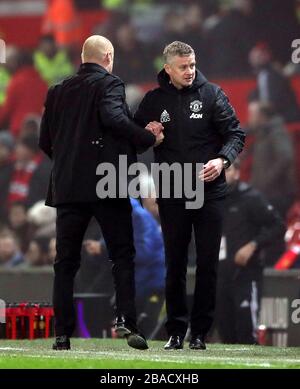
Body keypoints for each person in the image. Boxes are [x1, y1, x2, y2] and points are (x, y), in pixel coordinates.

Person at [39, 35, 163, 351]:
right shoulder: (110, 84)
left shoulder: (56, 91)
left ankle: (62, 335)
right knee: (122, 254)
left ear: (83, 57)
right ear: (108, 56)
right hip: (106, 184)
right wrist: (146, 138)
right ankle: (125, 320)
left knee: (65, 262)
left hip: (67, 187)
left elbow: (45, 140)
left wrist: (69, 163)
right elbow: (113, 118)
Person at [134, 41, 245, 350]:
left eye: (192, 65)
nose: (190, 71)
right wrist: (150, 137)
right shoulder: (154, 100)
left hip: (210, 192)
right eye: (183, 66)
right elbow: (132, 137)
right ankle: (175, 332)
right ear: (167, 69)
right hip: (172, 190)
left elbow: (236, 133)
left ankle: (200, 333)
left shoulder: (212, 95)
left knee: (208, 263)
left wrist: (221, 160)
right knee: (176, 263)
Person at [215, 160, 285, 344]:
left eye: (227, 170)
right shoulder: (212, 199)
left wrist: (252, 245)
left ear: (237, 173)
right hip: (219, 274)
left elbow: (278, 226)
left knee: (246, 330)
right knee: (225, 330)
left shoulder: (251, 198)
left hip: (245, 274)